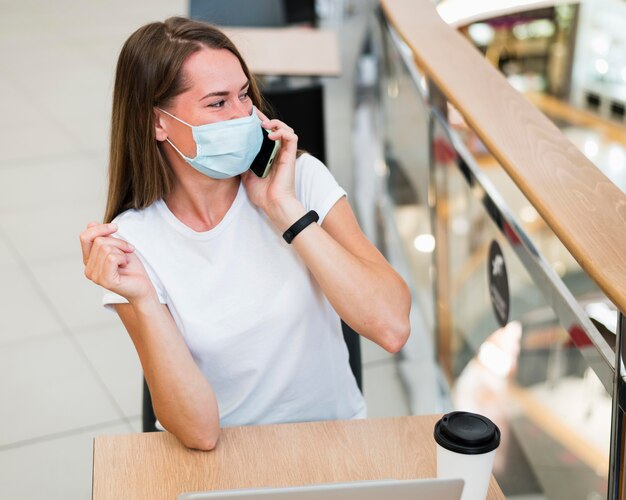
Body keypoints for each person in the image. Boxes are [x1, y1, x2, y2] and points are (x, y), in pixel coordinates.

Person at [79, 17, 411, 451]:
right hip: (227, 455)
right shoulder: (131, 243)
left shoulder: (301, 180)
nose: (243, 116)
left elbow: (391, 327)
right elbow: (199, 432)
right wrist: (141, 299)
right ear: (156, 123)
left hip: (334, 440)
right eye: (217, 104)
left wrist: (285, 211)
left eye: (243, 95)